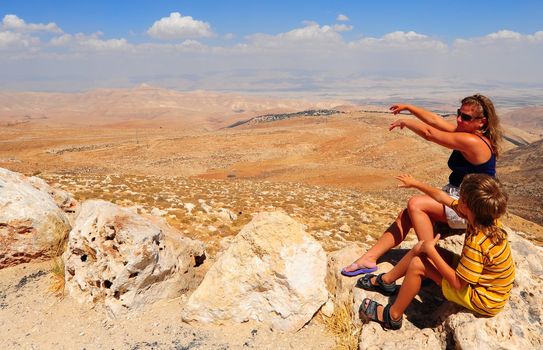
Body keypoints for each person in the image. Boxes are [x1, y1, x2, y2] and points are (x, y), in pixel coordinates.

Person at [342, 94, 503, 276]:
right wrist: (410, 108)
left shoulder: (473, 142)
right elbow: (435, 121)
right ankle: (368, 258)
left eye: (465, 117)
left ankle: (430, 263)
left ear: (481, 122)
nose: (459, 119)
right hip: (458, 196)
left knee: (415, 204)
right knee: (406, 215)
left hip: (472, 207)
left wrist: (407, 122)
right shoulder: (466, 133)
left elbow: (430, 133)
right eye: (459, 113)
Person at [358, 173, 514, 329]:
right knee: (426, 249)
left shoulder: (477, 242)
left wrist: (431, 251)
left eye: (460, 197)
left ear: (466, 205)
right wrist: (415, 183)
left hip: (482, 298)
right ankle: (386, 281)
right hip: (482, 283)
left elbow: (458, 284)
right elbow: (441, 197)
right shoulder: (483, 216)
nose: (456, 200)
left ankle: (392, 316)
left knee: (419, 263)